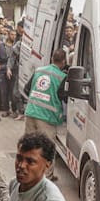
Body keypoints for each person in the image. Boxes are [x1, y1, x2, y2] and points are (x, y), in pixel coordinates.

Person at [23, 49, 68, 180]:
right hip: (46, 117)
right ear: (64, 61)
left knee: (29, 145)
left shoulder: (39, 71)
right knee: (47, 147)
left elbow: (26, 88)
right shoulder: (62, 77)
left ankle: (27, 172)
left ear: (52, 58)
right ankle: (47, 177)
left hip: (31, 112)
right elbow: (65, 98)